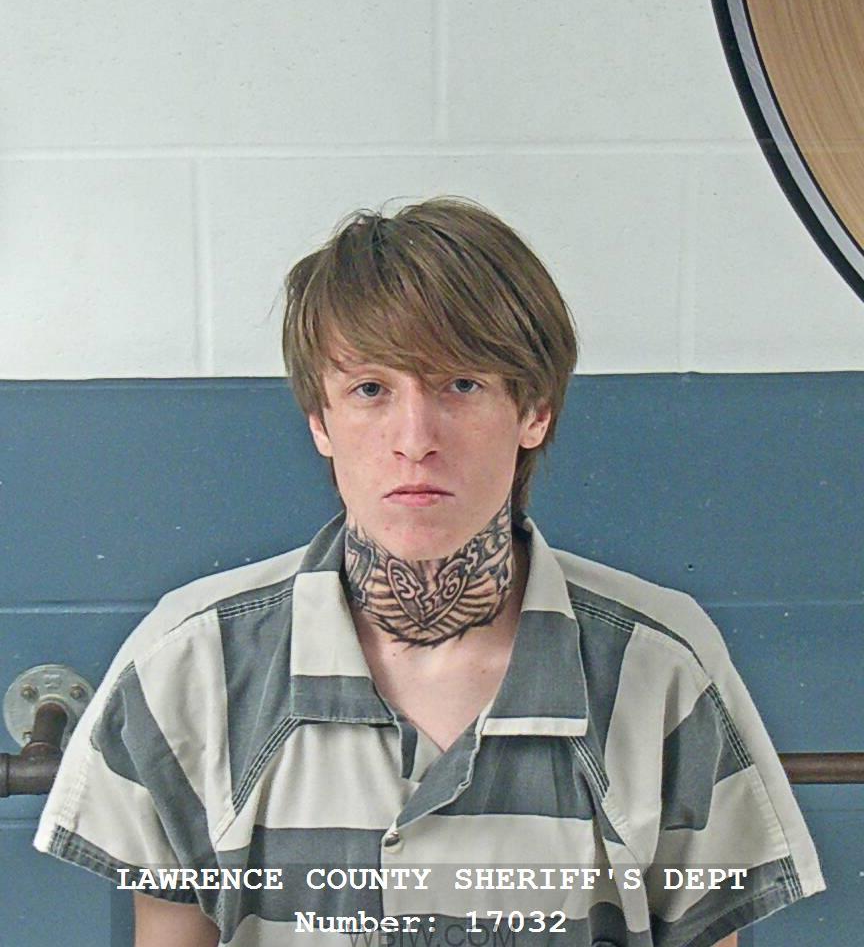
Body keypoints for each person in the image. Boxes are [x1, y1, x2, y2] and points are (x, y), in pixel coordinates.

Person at [34, 197, 825, 947]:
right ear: (320, 420)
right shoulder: (188, 666)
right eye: (371, 389)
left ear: (534, 411)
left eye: (462, 384)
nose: (415, 437)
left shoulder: (662, 666)